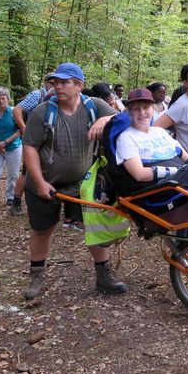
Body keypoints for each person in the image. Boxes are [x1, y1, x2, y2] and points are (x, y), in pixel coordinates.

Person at [22, 63, 121, 300]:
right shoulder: (42, 112)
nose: (58, 86)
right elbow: (30, 148)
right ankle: (36, 275)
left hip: (82, 182)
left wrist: (103, 121)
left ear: (79, 85)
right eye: (55, 82)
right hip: (44, 182)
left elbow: (121, 117)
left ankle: (104, 275)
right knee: (43, 229)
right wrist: (39, 182)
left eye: (64, 82)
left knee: (93, 224)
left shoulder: (94, 106)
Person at [10, 73, 56, 216]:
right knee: (27, 170)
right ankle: (16, 202)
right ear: (46, 83)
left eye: (57, 82)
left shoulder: (57, 98)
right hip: (35, 140)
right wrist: (24, 128)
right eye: (52, 82)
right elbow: (17, 109)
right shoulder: (37, 95)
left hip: (48, 140)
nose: (55, 85)